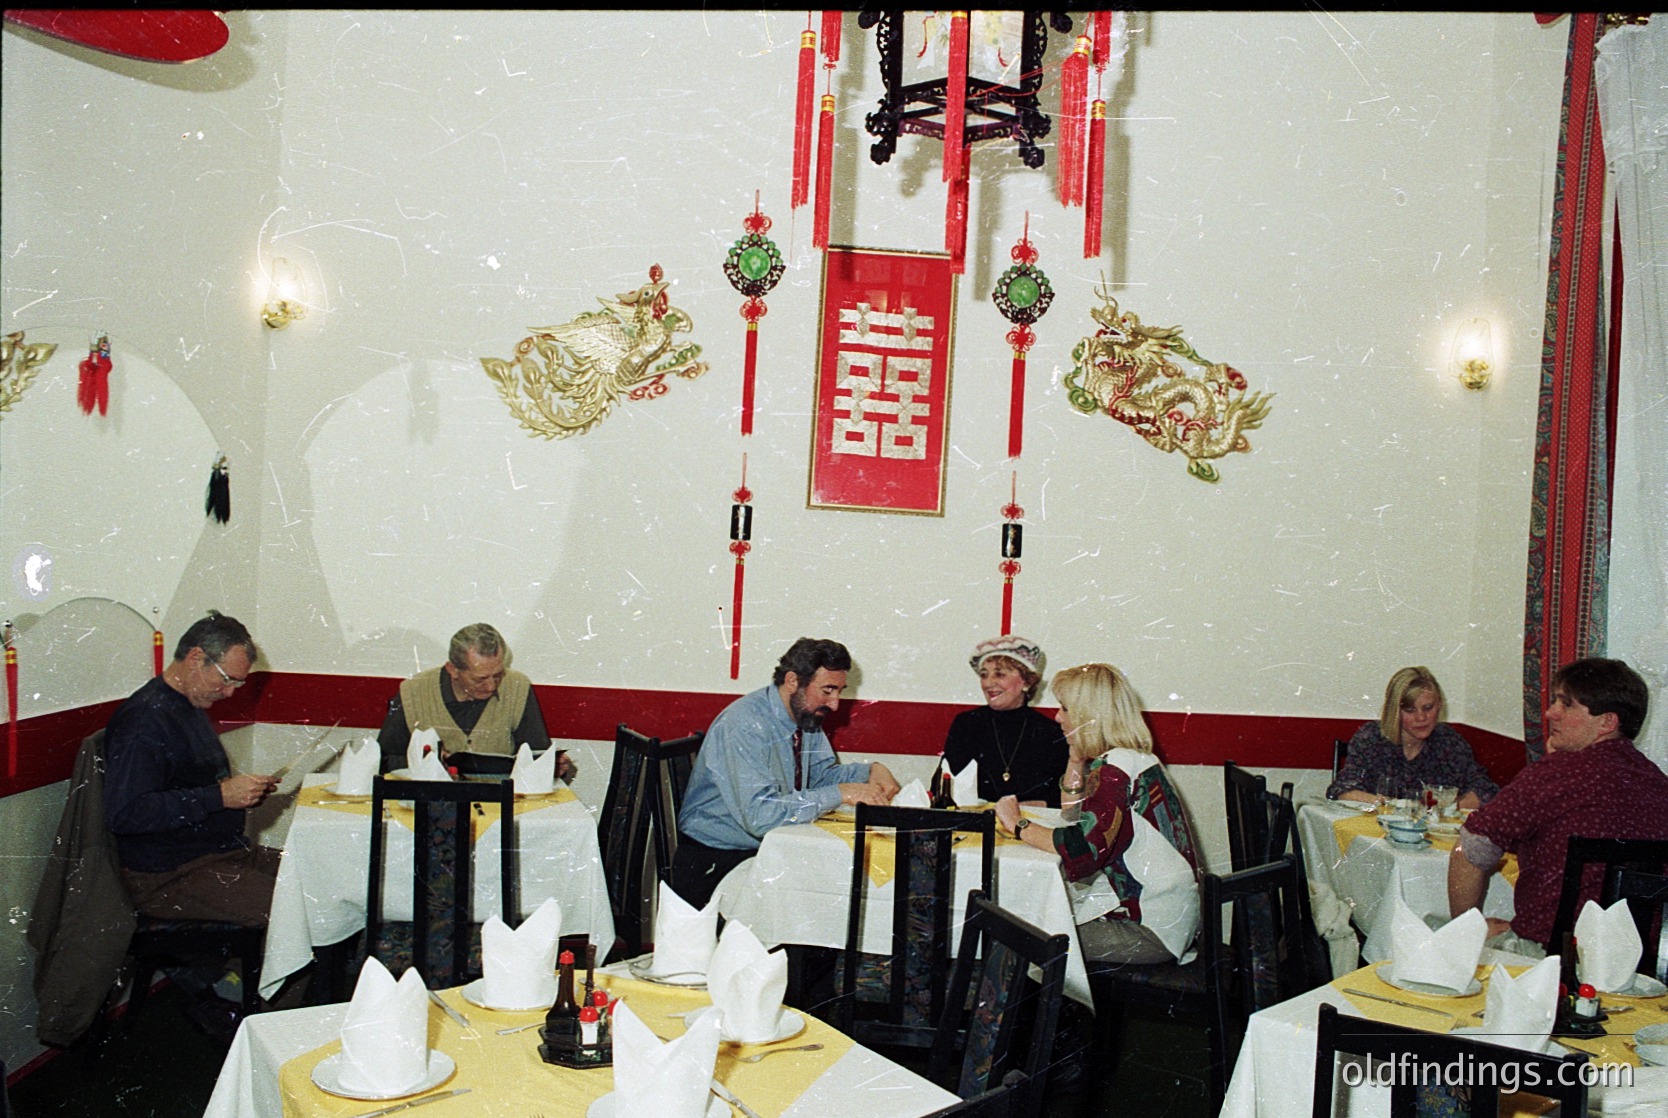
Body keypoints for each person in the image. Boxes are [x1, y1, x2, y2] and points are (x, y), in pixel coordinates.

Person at [1448, 657, 1668, 954]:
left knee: (1433, 928)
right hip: (1631, 964)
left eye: (1566, 704)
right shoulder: (1658, 783)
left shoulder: (1558, 773)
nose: (1551, 713)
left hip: (1549, 955)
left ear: (1607, 722)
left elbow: (1471, 849)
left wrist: (1467, 927)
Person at [993, 662, 1201, 964]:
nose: (1057, 716)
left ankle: (1040, 1011)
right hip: (1165, 916)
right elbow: (1071, 813)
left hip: (1152, 930)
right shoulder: (1128, 758)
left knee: (1019, 938)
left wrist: (1017, 823)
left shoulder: (1116, 769)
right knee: (1030, 922)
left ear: (1088, 715)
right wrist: (1075, 759)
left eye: (1065, 708)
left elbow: (1081, 849)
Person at [673, 637, 901, 907]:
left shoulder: (805, 716)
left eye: (839, 691)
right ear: (793, 681)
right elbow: (760, 816)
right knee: (824, 904)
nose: (835, 703)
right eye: (827, 690)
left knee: (842, 893)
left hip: (763, 850)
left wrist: (871, 771)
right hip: (715, 861)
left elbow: (818, 778)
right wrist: (841, 793)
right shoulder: (745, 725)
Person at [103, 612, 280, 927]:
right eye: (227, 679)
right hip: (167, 875)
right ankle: (236, 976)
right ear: (196, 658)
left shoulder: (190, 704)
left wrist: (241, 792)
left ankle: (237, 975)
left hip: (217, 854)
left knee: (317, 881)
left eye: (238, 683)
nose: (230, 693)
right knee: (300, 909)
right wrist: (220, 796)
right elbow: (126, 812)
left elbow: (192, 785)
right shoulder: (146, 719)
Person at [377, 622, 573, 779]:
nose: (491, 686)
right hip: (427, 804)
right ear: (452, 669)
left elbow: (537, 754)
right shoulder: (414, 691)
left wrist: (553, 766)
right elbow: (383, 760)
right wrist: (425, 760)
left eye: (498, 675)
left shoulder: (517, 686)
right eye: (479, 679)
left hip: (501, 802)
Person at [1328, 666, 1498, 809]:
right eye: (1410, 710)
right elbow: (1342, 789)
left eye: (1428, 707)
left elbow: (1485, 789)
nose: (1421, 718)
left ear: (1439, 705)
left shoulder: (1450, 742)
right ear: (1394, 711)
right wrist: (1388, 805)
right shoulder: (1371, 738)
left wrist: (1452, 807)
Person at [941, 635, 1071, 805]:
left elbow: (1062, 797)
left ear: (1026, 681)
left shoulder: (1050, 731)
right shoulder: (966, 724)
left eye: (999, 674)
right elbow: (946, 785)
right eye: (984, 675)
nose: (988, 683)